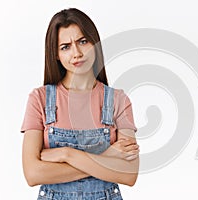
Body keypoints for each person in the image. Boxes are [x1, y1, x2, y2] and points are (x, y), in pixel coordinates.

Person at [21, 8, 139, 200]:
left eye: (83, 42)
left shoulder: (118, 100)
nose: (76, 53)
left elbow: (129, 174)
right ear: (56, 54)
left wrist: (67, 154)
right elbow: (33, 174)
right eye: (65, 47)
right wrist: (107, 158)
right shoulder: (39, 100)